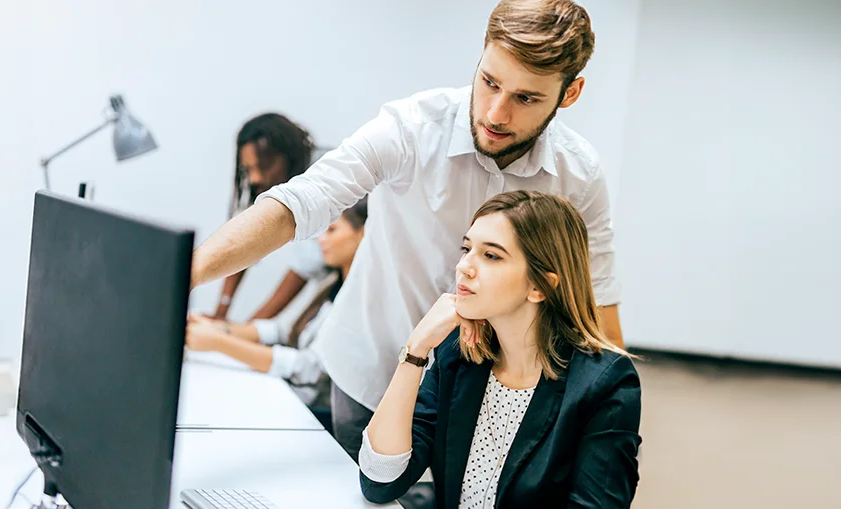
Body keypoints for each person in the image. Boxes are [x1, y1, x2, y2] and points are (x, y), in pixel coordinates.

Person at [190, 0, 624, 459]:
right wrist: (183, 275)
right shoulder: (414, 127)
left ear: (569, 93)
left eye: (526, 98)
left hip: (488, 392)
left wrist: (608, 421)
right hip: (371, 372)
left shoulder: (576, 174)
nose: (496, 113)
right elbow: (299, 202)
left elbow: (596, 295)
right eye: (489, 82)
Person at [359, 191, 641, 509]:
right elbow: (380, 481)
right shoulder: (459, 354)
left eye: (491, 256)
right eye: (467, 249)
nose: (464, 267)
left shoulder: (604, 383)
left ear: (541, 287)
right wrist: (415, 351)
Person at [186, 198, 369, 412]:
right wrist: (220, 328)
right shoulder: (329, 285)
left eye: (332, 230)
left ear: (363, 233)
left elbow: (310, 369)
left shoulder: (362, 301)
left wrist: (219, 342)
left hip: (315, 414)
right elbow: (283, 331)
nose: (320, 239)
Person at [211, 113, 325, 321]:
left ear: (289, 156)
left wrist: (238, 332)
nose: (255, 178)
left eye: (264, 167)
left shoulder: (322, 179)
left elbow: (308, 262)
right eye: (248, 170)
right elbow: (244, 236)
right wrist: (220, 312)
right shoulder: (271, 183)